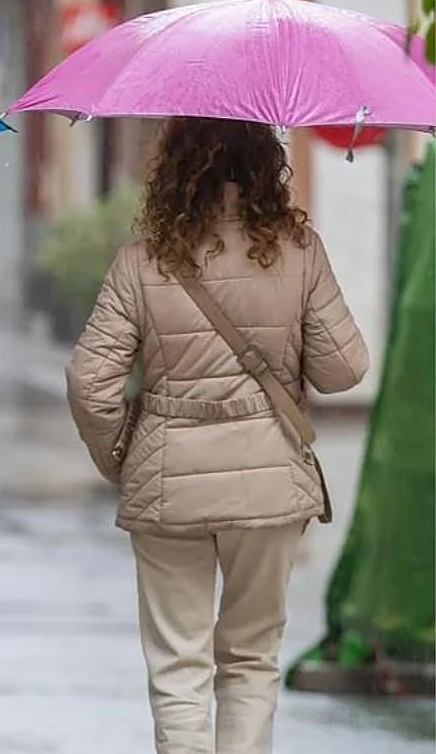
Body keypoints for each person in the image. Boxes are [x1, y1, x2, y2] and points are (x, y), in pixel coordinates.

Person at [66, 117, 369, 754]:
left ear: (174, 167)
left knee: (178, 666)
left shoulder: (144, 258)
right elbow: (346, 369)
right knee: (252, 656)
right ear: (266, 164)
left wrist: (122, 459)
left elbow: (90, 382)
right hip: (268, 481)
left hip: (168, 480)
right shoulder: (298, 249)